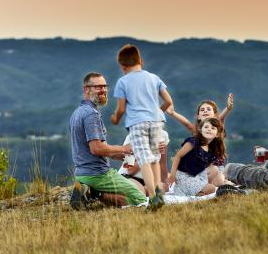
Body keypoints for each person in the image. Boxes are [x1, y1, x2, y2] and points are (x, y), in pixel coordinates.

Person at [69, 72, 147, 209]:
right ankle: (94, 193)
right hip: (98, 174)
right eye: (98, 87)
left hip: (82, 174)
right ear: (86, 89)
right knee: (140, 199)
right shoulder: (91, 114)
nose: (103, 90)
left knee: (128, 197)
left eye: (105, 86)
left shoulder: (78, 112)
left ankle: (91, 191)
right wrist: (124, 148)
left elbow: (98, 149)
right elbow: (96, 148)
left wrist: (122, 156)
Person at [110, 44, 173, 210]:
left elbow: (122, 108)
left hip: (138, 123)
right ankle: (158, 194)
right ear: (141, 61)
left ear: (123, 67)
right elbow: (168, 102)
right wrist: (155, 114)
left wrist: (115, 118)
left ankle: (153, 198)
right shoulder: (154, 78)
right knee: (154, 159)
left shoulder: (122, 82)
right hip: (157, 121)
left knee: (144, 160)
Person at [166, 118, 227, 196]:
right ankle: (190, 191)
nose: (209, 129)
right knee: (211, 188)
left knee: (214, 170)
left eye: (213, 128)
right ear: (201, 130)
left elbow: (208, 167)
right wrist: (172, 175)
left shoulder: (211, 149)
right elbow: (178, 155)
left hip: (195, 176)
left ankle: (199, 189)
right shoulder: (194, 142)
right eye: (206, 127)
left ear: (217, 134)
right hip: (183, 175)